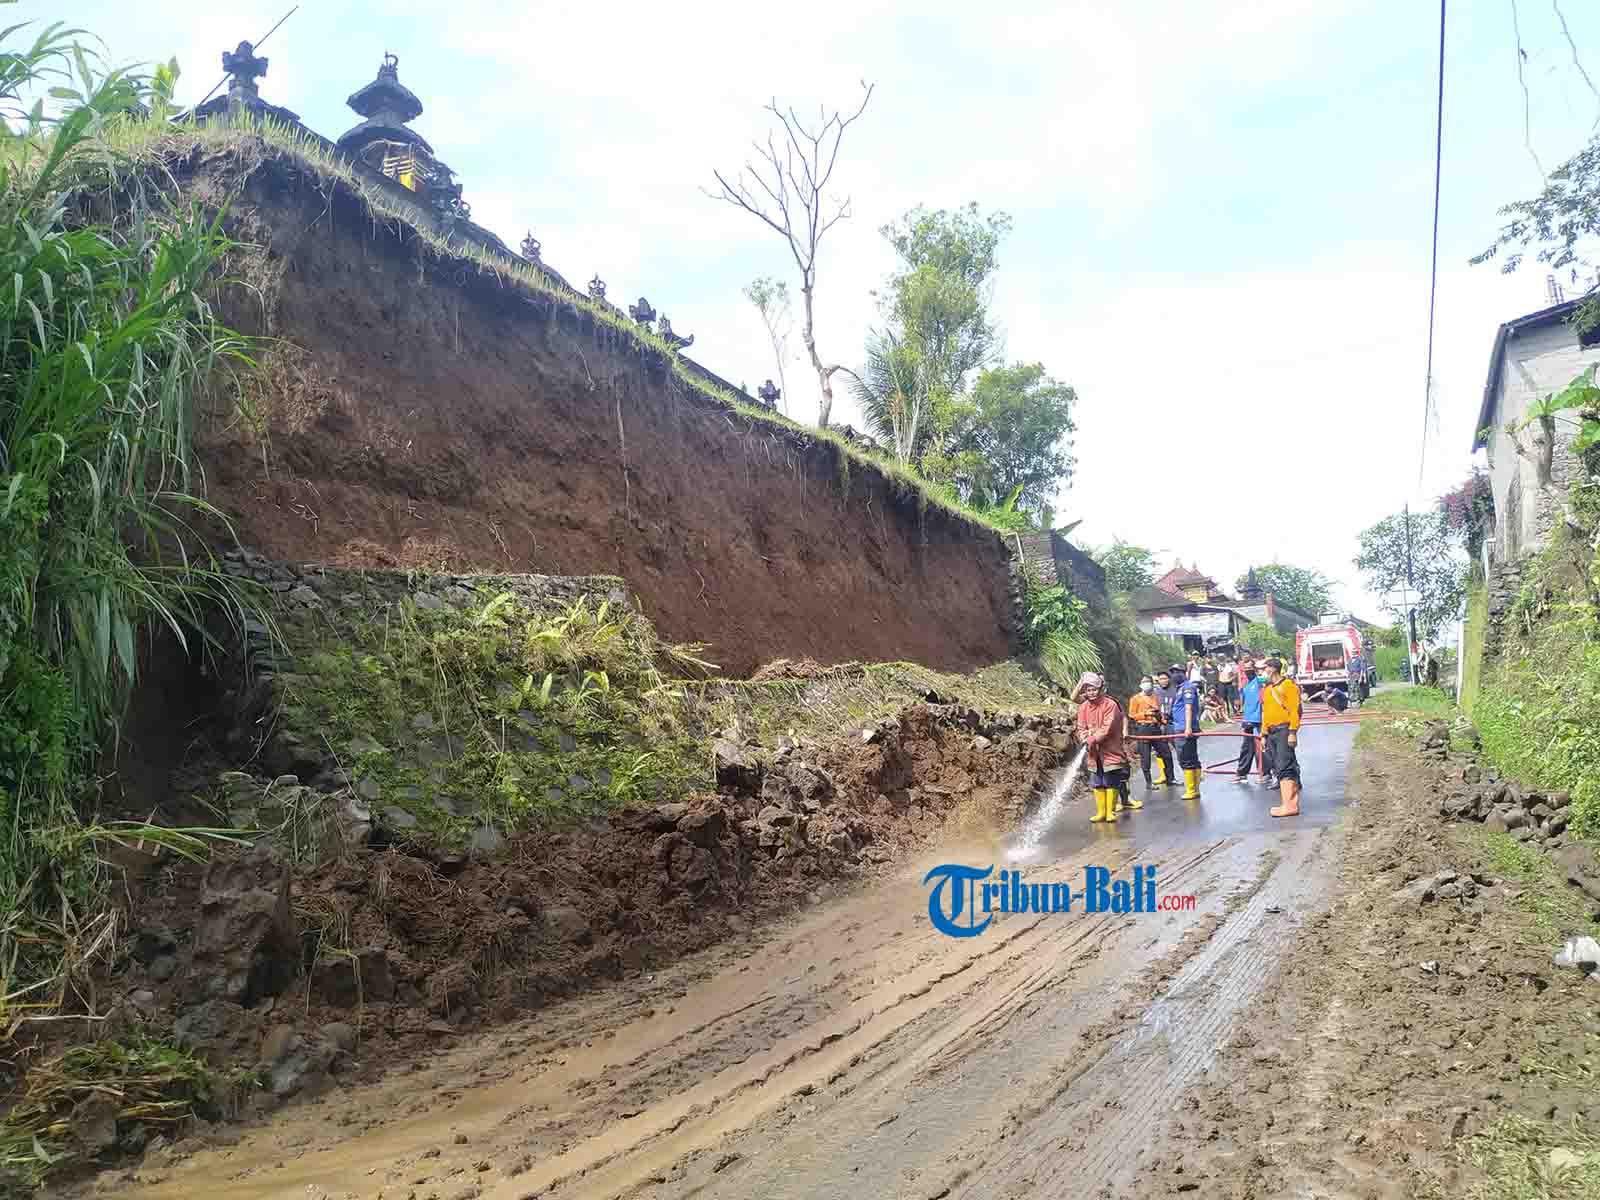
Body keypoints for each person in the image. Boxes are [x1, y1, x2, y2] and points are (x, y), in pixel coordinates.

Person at [1073, 672, 1136, 822]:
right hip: (1094, 752)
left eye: (1094, 689)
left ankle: (1110, 812)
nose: (1091, 693)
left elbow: (1107, 727)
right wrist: (1084, 738)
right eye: (1088, 690)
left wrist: (1093, 737)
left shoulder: (1110, 704)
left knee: (1111, 780)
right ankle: (1101, 812)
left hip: (1110, 749)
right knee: (1097, 781)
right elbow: (1081, 726)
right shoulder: (1083, 707)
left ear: (1101, 689)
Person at [1261, 658, 1302, 817]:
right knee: (1278, 765)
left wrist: (1292, 732)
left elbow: (1294, 711)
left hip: (1284, 730)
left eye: (1264, 669)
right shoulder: (1267, 689)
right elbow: (1266, 714)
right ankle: (1286, 803)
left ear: (1272, 669)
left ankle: (1290, 806)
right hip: (1271, 732)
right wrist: (1264, 734)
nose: (1262, 672)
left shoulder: (1288, 686)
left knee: (1286, 765)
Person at [1127, 675, 1171, 790]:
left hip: (1156, 728)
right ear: (1140, 685)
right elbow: (1131, 715)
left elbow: (1159, 711)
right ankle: (1149, 782)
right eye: (1144, 682)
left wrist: (1162, 719)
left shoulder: (1155, 696)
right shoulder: (1135, 699)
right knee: (1145, 757)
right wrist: (1146, 714)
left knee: (1166, 753)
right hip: (1143, 728)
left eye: (1148, 681)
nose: (1146, 683)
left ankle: (1170, 778)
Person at [1171, 666, 1205, 800]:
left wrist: (1188, 727)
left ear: (1184, 673)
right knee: (1191, 757)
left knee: (1185, 758)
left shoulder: (1187, 688)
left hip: (1184, 728)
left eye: (1177, 672)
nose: (1174, 675)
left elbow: (1188, 707)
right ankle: (1194, 789)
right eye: (1172, 673)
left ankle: (1191, 790)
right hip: (1181, 727)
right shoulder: (1180, 688)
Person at [1236, 659, 1265, 782]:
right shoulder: (1244, 684)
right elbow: (1244, 700)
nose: (1248, 671)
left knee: (1261, 747)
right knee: (1246, 747)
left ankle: (1264, 773)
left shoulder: (1259, 681)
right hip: (1248, 718)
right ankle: (1242, 773)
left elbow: (1268, 679)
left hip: (1259, 718)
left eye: (1250, 668)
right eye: (1245, 669)